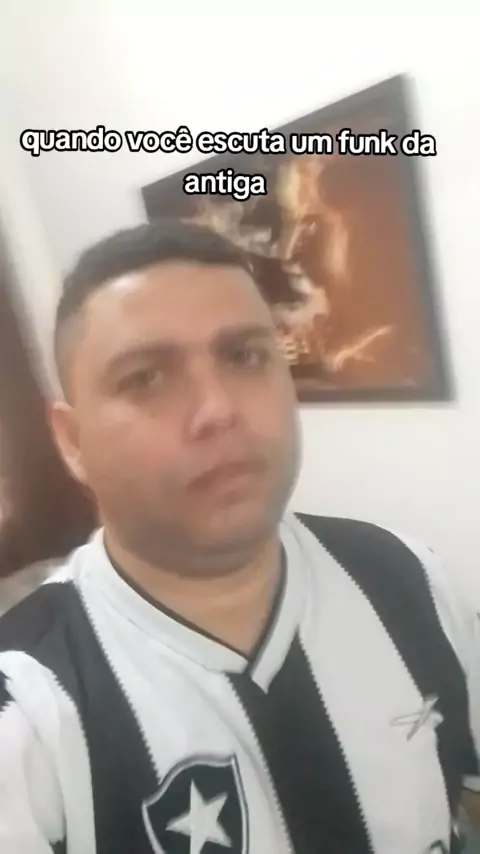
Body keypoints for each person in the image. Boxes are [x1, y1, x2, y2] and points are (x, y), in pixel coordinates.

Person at [0, 218, 479, 854]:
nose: (218, 409)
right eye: (145, 377)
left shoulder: (407, 577)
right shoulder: (26, 702)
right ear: (72, 441)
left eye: (245, 357)